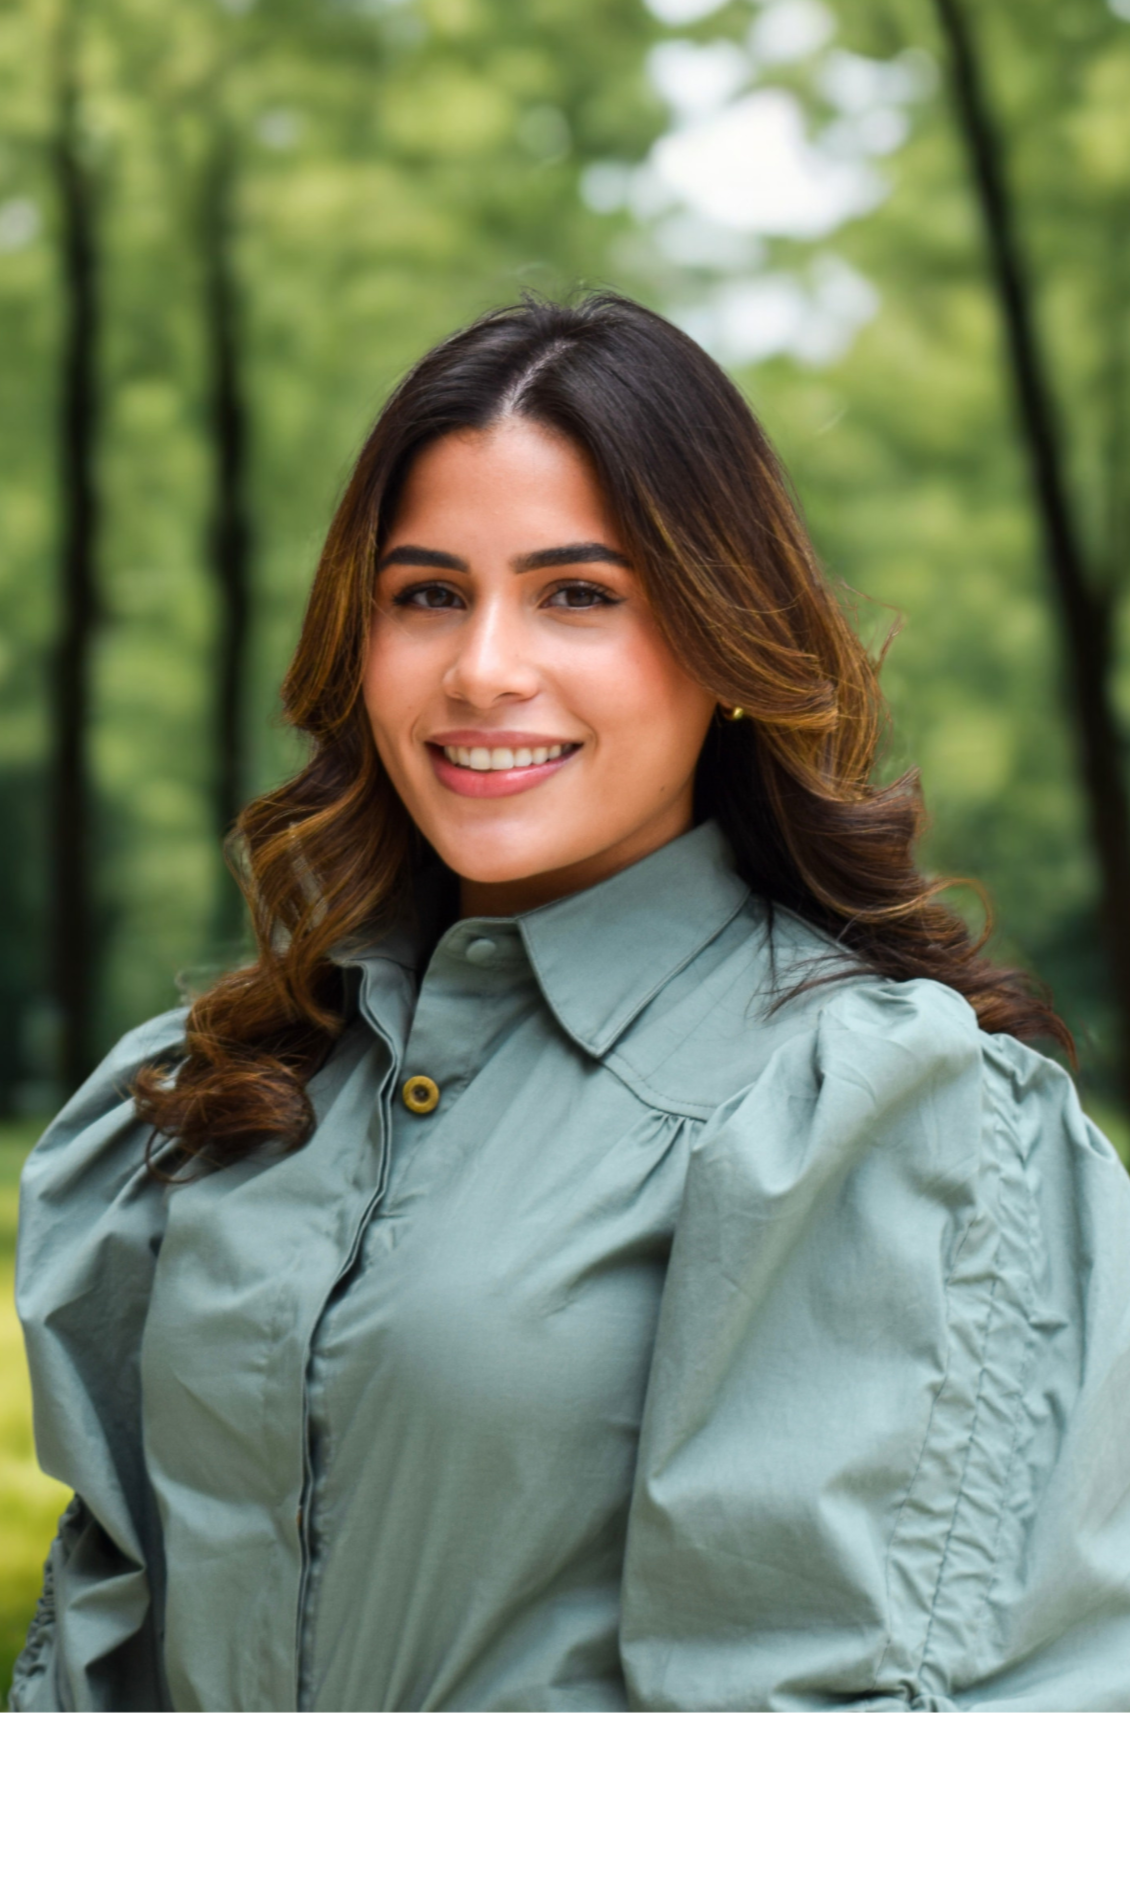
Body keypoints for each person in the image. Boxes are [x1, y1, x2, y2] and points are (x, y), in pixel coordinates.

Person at [11, 291, 1130, 1714]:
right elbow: (96, 1659)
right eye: (425, 593)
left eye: (577, 594)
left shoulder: (870, 1113)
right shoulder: (225, 1085)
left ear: (725, 641)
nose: (483, 667)